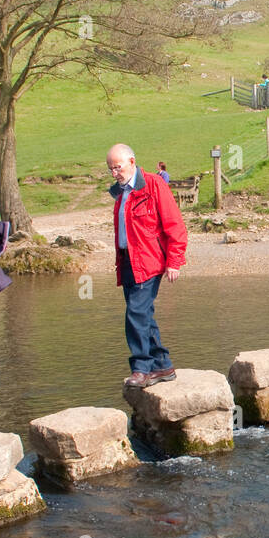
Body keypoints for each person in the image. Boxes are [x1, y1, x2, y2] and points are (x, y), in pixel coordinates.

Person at [107, 143, 187, 389]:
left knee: (136, 314)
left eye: (117, 167)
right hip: (127, 261)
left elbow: (175, 225)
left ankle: (141, 368)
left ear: (132, 162)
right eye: (110, 169)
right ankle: (163, 365)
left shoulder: (154, 185)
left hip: (150, 261)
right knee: (144, 315)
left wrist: (174, 262)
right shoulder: (120, 192)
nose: (114, 173)